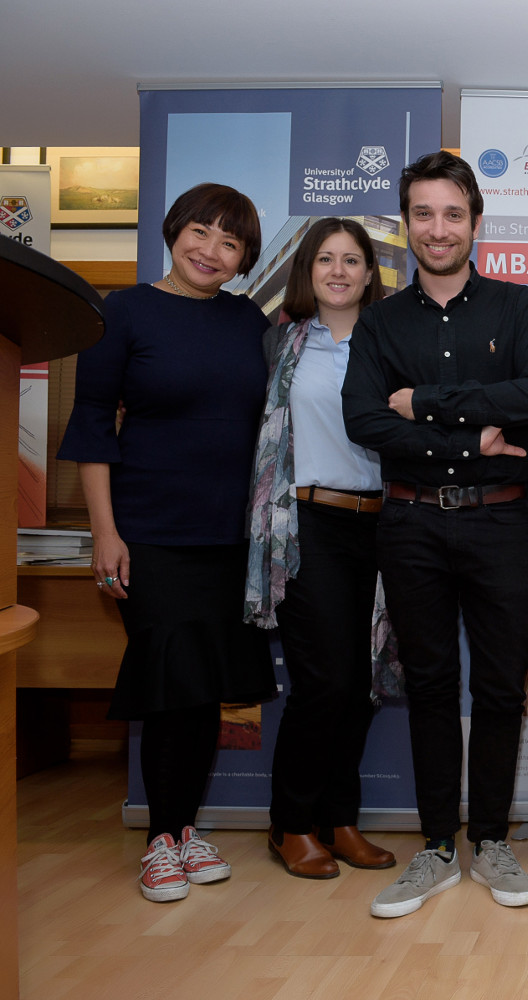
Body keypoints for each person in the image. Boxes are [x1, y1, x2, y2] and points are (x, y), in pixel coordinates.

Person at [343, 151, 528, 918]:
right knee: (430, 685)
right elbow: (364, 419)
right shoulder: (380, 321)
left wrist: (425, 403)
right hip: (411, 523)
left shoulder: (518, 308)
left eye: (453, 214)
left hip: (503, 520)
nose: (439, 229)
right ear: (408, 224)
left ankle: (491, 840)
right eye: (424, 214)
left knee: (501, 685)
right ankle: (437, 846)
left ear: (476, 223)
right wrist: (472, 434)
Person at [58, 182, 274, 902]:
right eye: (201, 232)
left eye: (230, 242)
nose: (210, 250)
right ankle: (161, 839)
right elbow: (93, 423)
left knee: (203, 688)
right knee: (171, 681)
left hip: (229, 536)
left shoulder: (247, 321)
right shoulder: (123, 311)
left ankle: (183, 830)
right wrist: (104, 532)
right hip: (148, 533)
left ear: (244, 259)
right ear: (174, 229)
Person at [245, 218, 395, 879]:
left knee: (360, 684)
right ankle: (292, 823)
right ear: (306, 270)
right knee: (325, 681)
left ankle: (339, 821)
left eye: (352, 259)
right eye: (325, 259)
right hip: (306, 526)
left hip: (384, 525)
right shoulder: (278, 343)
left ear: (370, 272)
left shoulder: (392, 343)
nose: (338, 271)